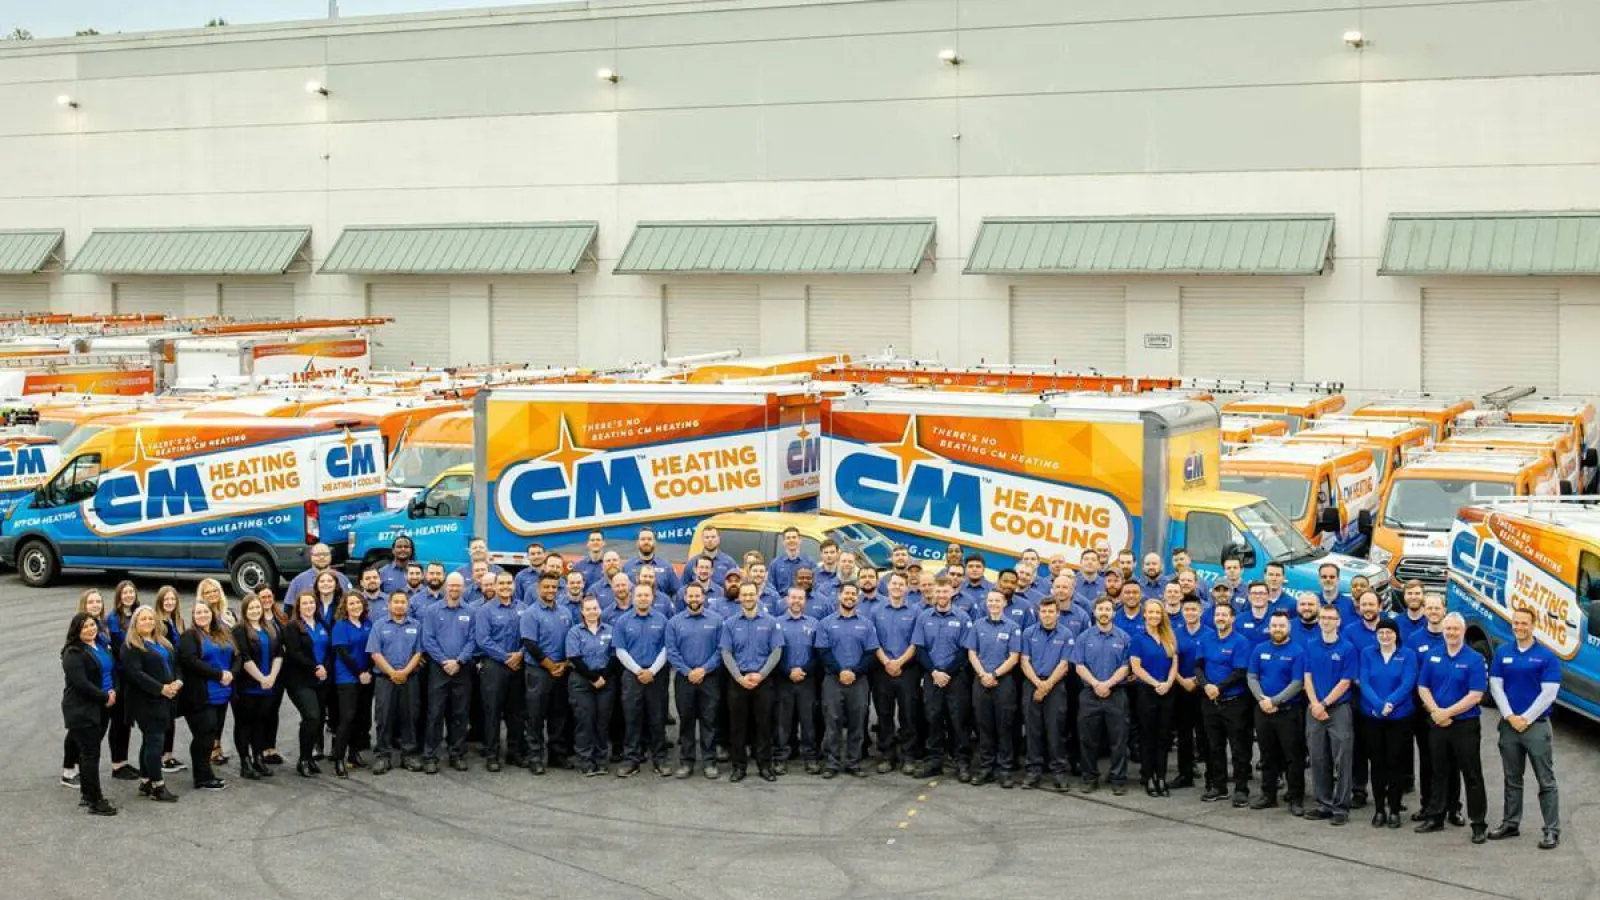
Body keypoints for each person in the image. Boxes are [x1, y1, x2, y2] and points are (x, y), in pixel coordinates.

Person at [1488, 607, 1562, 849]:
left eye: (1524, 624)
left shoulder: (1547, 656)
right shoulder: (1503, 652)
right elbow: (1496, 686)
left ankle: (1551, 830)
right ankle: (1511, 823)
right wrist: (1510, 715)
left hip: (1536, 726)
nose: (1519, 628)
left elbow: (1549, 693)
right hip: (1510, 726)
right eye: (1516, 623)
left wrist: (1526, 718)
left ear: (1534, 625)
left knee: (1546, 780)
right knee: (1512, 778)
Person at [1415, 612, 1489, 843]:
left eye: (1456, 629)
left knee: (1471, 774)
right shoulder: (1433, 655)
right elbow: (1422, 687)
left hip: (1465, 724)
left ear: (1463, 631)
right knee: (1439, 771)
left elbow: (1476, 695)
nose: (1451, 633)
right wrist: (1436, 711)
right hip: (1438, 723)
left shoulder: (1475, 658)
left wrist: (1447, 713)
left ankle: (1478, 823)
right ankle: (1436, 817)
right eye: (1448, 629)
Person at [720, 583, 783, 783]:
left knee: (763, 725)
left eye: (751, 594)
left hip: (763, 680)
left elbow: (776, 651)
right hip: (738, 680)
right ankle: (739, 766)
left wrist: (761, 675)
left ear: (757, 596)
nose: (748, 597)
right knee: (737, 726)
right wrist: (739, 677)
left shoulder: (771, 622)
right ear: (739, 597)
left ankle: (765, 765)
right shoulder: (730, 624)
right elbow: (726, 652)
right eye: (744, 594)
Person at [1357, 619, 1415, 829]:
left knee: (1396, 763)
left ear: (1396, 634)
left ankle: (1395, 808)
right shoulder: (1367, 653)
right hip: (1373, 716)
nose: (1385, 636)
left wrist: (1390, 703)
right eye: (1381, 632)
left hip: (1399, 717)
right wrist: (1378, 704)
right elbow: (1364, 681)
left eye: (1389, 632)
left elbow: (1408, 682)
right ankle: (1379, 809)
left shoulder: (1407, 655)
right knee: (1378, 764)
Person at [817, 583, 879, 779]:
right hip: (833, 680)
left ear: (857, 598)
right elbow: (823, 651)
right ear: (839, 596)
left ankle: (854, 761)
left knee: (857, 722)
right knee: (832, 721)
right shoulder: (826, 623)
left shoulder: (866, 624)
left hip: (859, 680)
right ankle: (832, 762)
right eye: (847, 593)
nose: (850, 597)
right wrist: (840, 671)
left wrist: (855, 671)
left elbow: (871, 652)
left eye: (854, 594)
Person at [1196, 602, 1254, 807]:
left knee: (1239, 747)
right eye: (1217, 615)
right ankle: (1218, 786)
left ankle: (1241, 789)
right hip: (1210, 701)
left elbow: (1240, 672)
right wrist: (1206, 687)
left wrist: (1218, 687)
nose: (1220, 618)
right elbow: (1198, 668)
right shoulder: (1206, 639)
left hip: (1234, 702)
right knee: (1214, 746)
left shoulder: (1241, 642)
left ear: (1232, 619)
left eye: (1224, 615)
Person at [913, 576, 971, 780]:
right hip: (932, 676)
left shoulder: (963, 618)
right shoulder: (924, 617)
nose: (942, 595)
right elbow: (920, 649)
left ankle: (962, 761)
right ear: (933, 593)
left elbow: (966, 650)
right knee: (933, 717)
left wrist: (948, 673)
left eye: (945, 591)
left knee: (958, 720)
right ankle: (934, 760)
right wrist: (935, 672)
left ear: (952, 593)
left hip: (956, 678)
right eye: (938, 591)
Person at [1248, 611, 1306, 815]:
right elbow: (1252, 676)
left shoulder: (1297, 651)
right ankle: (1268, 794)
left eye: (1281, 626)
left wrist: (1274, 701)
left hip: (1288, 712)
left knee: (1293, 757)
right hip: (1263, 710)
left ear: (1288, 628)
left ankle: (1296, 798)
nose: (1277, 629)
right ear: (1269, 627)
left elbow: (1298, 683)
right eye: (1274, 626)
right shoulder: (1259, 649)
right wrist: (1262, 700)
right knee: (1267, 755)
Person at [121, 607, 181, 803]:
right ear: (135, 623)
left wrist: (177, 682)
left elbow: (176, 665)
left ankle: (145, 781)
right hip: (146, 702)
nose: (147, 622)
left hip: (166, 699)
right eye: (142, 619)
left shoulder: (163, 642)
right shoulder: (131, 646)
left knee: (150, 742)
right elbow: (136, 675)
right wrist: (161, 688)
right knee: (155, 742)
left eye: (150, 619)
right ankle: (158, 786)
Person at [1303, 605, 1356, 825]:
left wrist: (1324, 703)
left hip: (1338, 709)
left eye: (1331, 618)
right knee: (1317, 757)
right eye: (1323, 617)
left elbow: (1346, 681)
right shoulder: (1311, 645)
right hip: (1314, 709)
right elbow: (1307, 677)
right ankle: (1323, 803)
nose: (1326, 621)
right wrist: (1315, 704)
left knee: (1342, 758)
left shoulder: (1347, 648)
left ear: (1338, 622)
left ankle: (1341, 807)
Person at [1073, 597, 1132, 795]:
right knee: (1088, 739)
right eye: (1100, 609)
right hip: (1090, 694)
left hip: (1116, 694)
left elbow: (1126, 666)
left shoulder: (1124, 637)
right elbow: (1079, 665)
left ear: (1113, 613)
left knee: (1119, 739)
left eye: (1108, 609)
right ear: (1094, 612)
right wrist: (1096, 684)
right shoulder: (1084, 637)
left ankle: (1118, 778)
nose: (1104, 613)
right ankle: (1089, 777)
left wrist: (1108, 684)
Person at [61, 612, 118, 815]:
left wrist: (112, 692)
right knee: (90, 754)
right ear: (77, 630)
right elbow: (81, 683)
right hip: (82, 709)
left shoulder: (101, 645)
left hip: (102, 706)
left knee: (90, 753)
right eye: (85, 627)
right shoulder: (73, 653)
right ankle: (95, 800)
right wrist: (104, 696)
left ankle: (87, 794)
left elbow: (110, 671)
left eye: (92, 625)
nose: (90, 629)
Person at [964, 589, 1021, 788]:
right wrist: (983, 675)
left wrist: (995, 674)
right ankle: (986, 767)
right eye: (991, 600)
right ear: (986, 603)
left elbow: (1014, 657)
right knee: (984, 726)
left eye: (998, 600)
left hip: (1003, 682)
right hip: (981, 681)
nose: (994, 603)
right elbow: (971, 652)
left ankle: (1005, 769)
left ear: (1004, 603)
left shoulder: (1013, 627)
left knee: (1004, 726)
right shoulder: (978, 625)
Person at [666, 582, 723, 779]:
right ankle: (686, 762)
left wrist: (704, 670)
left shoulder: (716, 621)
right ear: (684, 598)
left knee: (709, 721)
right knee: (687, 721)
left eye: (697, 596)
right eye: (690, 596)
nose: (694, 599)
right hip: (684, 679)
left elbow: (720, 649)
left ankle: (710, 761)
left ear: (703, 597)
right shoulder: (674, 622)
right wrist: (687, 671)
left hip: (710, 679)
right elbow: (671, 651)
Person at [177, 600, 235, 792]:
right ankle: (201, 777)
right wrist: (218, 674)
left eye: (205, 612)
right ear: (193, 616)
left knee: (212, 735)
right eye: (198, 612)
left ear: (212, 614)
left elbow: (238, 655)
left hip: (222, 692)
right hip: (200, 694)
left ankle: (206, 773)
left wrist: (231, 673)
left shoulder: (223, 633)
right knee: (204, 734)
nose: (202, 615)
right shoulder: (190, 636)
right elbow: (190, 661)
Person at [421, 574, 476, 774]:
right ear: (445, 587)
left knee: (460, 714)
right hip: (439, 668)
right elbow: (428, 639)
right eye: (451, 585)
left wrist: (459, 660)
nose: (455, 589)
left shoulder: (471, 612)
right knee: (435, 713)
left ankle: (457, 754)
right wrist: (445, 661)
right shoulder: (432, 611)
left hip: (462, 669)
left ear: (463, 588)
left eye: (458, 586)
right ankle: (430, 756)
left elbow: (473, 640)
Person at [615, 583, 671, 778]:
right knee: (631, 718)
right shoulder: (623, 621)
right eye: (639, 595)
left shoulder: (662, 620)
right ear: (633, 597)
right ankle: (631, 759)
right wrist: (639, 670)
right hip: (632, 676)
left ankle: (660, 759)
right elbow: (620, 650)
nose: (643, 598)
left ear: (652, 598)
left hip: (656, 675)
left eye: (646, 595)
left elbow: (666, 648)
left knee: (657, 719)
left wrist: (652, 671)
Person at [474, 572, 528, 772]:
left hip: (518, 665)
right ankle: (492, 755)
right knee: (492, 712)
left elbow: (529, 636)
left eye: (509, 582)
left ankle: (515, 753)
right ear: (495, 587)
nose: (505, 586)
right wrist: (507, 657)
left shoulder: (523, 609)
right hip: (494, 666)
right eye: (502, 583)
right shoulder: (485, 611)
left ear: (513, 585)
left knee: (517, 713)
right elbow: (483, 640)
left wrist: (520, 655)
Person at [520, 572, 574, 775]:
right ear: (538, 589)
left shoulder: (566, 612)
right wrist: (550, 666)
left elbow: (571, 639)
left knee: (559, 714)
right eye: (547, 587)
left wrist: (565, 664)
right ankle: (535, 756)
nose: (551, 590)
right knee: (535, 715)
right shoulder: (530, 613)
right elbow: (530, 644)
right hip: (538, 672)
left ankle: (557, 755)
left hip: (562, 671)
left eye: (555, 587)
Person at [1020, 595, 1073, 793]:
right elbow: (1024, 661)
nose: (1047, 615)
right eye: (1044, 611)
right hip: (1032, 683)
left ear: (1058, 613)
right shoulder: (1028, 633)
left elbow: (1064, 664)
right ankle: (1033, 770)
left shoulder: (1066, 634)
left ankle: (1058, 771)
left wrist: (1046, 686)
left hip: (1055, 685)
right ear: (1038, 613)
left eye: (1051, 611)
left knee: (1055, 729)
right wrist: (1038, 684)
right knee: (1033, 730)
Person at [368, 590, 424, 775]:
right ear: (389, 605)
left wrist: (405, 672)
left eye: (403, 602)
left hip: (410, 679)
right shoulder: (379, 625)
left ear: (407, 605)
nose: (400, 605)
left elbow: (418, 653)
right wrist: (392, 672)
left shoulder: (416, 625)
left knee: (409, 716)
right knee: (384, 718)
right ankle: (383, 755)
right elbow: (375, 653)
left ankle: (408, 754)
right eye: (396, 602)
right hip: (385, 679)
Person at [870, 572, 921, 775]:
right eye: (894, 584)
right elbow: (873, 641)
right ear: (888, 587)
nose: (897, 587)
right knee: (884, 714)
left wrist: (899, 662)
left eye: (901, 584)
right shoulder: (876, 610)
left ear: (907, 588)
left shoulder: (916, 611)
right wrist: (887, 663)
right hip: (883, 670)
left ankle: (908, 756)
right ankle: (887, 755)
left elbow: (916, 642)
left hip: (907, 670)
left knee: (908, 714)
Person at [61, 589, 111, 791]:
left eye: (99, 601)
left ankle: (85, 774)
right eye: (91, 602)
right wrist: (103, 695)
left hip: (103, 698)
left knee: (91, 745)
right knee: (79, 738)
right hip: (85, 702)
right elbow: (80, 680)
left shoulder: (101, 633)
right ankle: (70, 770)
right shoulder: (75, 646)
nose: (96, 605)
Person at [1130, 599, 1178, 797]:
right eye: (1150, 612)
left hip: (1167, 691)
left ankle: (1161, 776)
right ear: (1145, 614)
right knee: (1148, 736)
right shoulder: (1138, 638)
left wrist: (1167, 683)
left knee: (1163, 737)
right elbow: (1136, 667)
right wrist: (1155, 683)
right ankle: (1149, 777)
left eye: (1157, 613)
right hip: (1147, 692)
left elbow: (1175, 662)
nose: (1154, 616)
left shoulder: (1169, 637)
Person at [231, 593, 281, 780]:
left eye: (257, 607)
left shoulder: (270, 628)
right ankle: (245, 762)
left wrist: (272, 677)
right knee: (244, 725)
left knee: (261, 724)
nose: (254, 611)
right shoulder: (239, 630)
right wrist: (261, 678)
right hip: (247, 687)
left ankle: (258, 758)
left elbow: (278, 654)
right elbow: (244, 657)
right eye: (251, 608)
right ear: (244, 610)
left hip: (267, 686)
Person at [283, 592, 332, 778]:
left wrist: (324, 667)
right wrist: (315, 668)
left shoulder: (322, 624)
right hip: (300, 680)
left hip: (322, 679)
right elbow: (294, 653)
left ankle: (310, 759)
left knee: (318, 721)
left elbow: (329, 649)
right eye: (305, 603)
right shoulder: (292, 627)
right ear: (298, 606)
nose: (309, 606)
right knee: (311, 716)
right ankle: (303, 759)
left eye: (312, 602)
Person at [566, 596, 616, 777]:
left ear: (600, 609)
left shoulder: (610, 630)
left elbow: (614, 656)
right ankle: (585, 760)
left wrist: (603, 677)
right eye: (588, 609)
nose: (592, 612)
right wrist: (593, 678)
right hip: (582, 681)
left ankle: (601, 759)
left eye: (595, 608)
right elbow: (574, 658)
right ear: (582, 612)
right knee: (584, 721)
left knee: (602, 722)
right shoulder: (575, 632)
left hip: (606, 682)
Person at [773, 586, 821, 776]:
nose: (796, 601)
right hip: (784, 678)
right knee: (783, 721)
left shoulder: (814, 624)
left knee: (808, 721)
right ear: (787, 600)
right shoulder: (776, 624)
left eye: (800, 598)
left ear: (805, 601)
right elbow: (774, 653)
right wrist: (788, 671)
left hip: (806, 679)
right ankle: (781, 758)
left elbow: (818, 653)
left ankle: (810, 758)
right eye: (793, 597)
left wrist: (804, 671)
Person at [331, 593, 375, 777]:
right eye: (351, 603)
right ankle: (339, 759)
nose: (355, 606)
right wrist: (359, 673)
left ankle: (353, 754)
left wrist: (368, 671)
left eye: (358, 602)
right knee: (347, 718)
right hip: (347, 678)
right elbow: (342, 653)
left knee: (361, 718)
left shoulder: (368, 624)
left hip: (366, 676)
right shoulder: (341, 626)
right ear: (345, 607)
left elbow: (373, 649)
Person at [1171, 594, 1208, 788]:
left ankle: (1212, 775)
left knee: (1206, 734)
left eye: (1194, 609)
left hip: (1203, 689)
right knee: (1184, 734)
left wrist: (1195, 680)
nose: (1190, 613)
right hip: (1182, 688)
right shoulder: (1175, 634)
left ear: (1200, 611)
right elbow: (1171, 662)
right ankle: (1185, 774)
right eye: (1187, 610)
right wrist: (1182, 681)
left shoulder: (1209, 633)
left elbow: (1211, 662)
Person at [105, 581, 141, 782]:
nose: (128, 596)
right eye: (124, 593)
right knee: (118, 720)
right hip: (120, 676)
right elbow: (117, 649)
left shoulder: (138, 615)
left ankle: (124, 761)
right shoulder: (112, 619)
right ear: (119, 596)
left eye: (131, 592)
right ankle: (117, 765)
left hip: (135, 675)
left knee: (127, 721)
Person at [152, 585, 187, 774]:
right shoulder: (158, 623)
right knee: (163, 718)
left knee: (171, 718)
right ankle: (161, 757)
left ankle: (168, 755)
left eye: (173, 599)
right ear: (160, 601)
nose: (170, 602)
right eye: (166, 599)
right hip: (164, 674)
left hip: (177, 673)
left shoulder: (177, 621)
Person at [286, 543, 352, 609]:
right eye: (317, 554)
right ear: (311, 556)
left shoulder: (343, 579)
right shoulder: (298, 581)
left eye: (325, 554)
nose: (322, 557)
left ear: (330, 555)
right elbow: (288, 609)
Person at [623, 526, 683, 599]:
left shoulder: (666, 567)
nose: (646, 542)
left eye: (649, 539)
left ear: (655, 542)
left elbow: (679, 593)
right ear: (637, 543)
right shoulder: (627, 567)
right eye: (643, 539)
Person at [573, 530, 609, 595]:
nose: (595, 542)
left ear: (603, 543)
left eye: (598, 540)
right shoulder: (578, 566)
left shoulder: (609, 564)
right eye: (592, 540)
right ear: (588, 544)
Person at [1070, 550, 1105, 614]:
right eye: (1086, 559)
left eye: (1093, 560)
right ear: (1080, 563)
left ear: (1099, 564)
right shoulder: (1071, 583)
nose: (1089, 562)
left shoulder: (1106, 584)